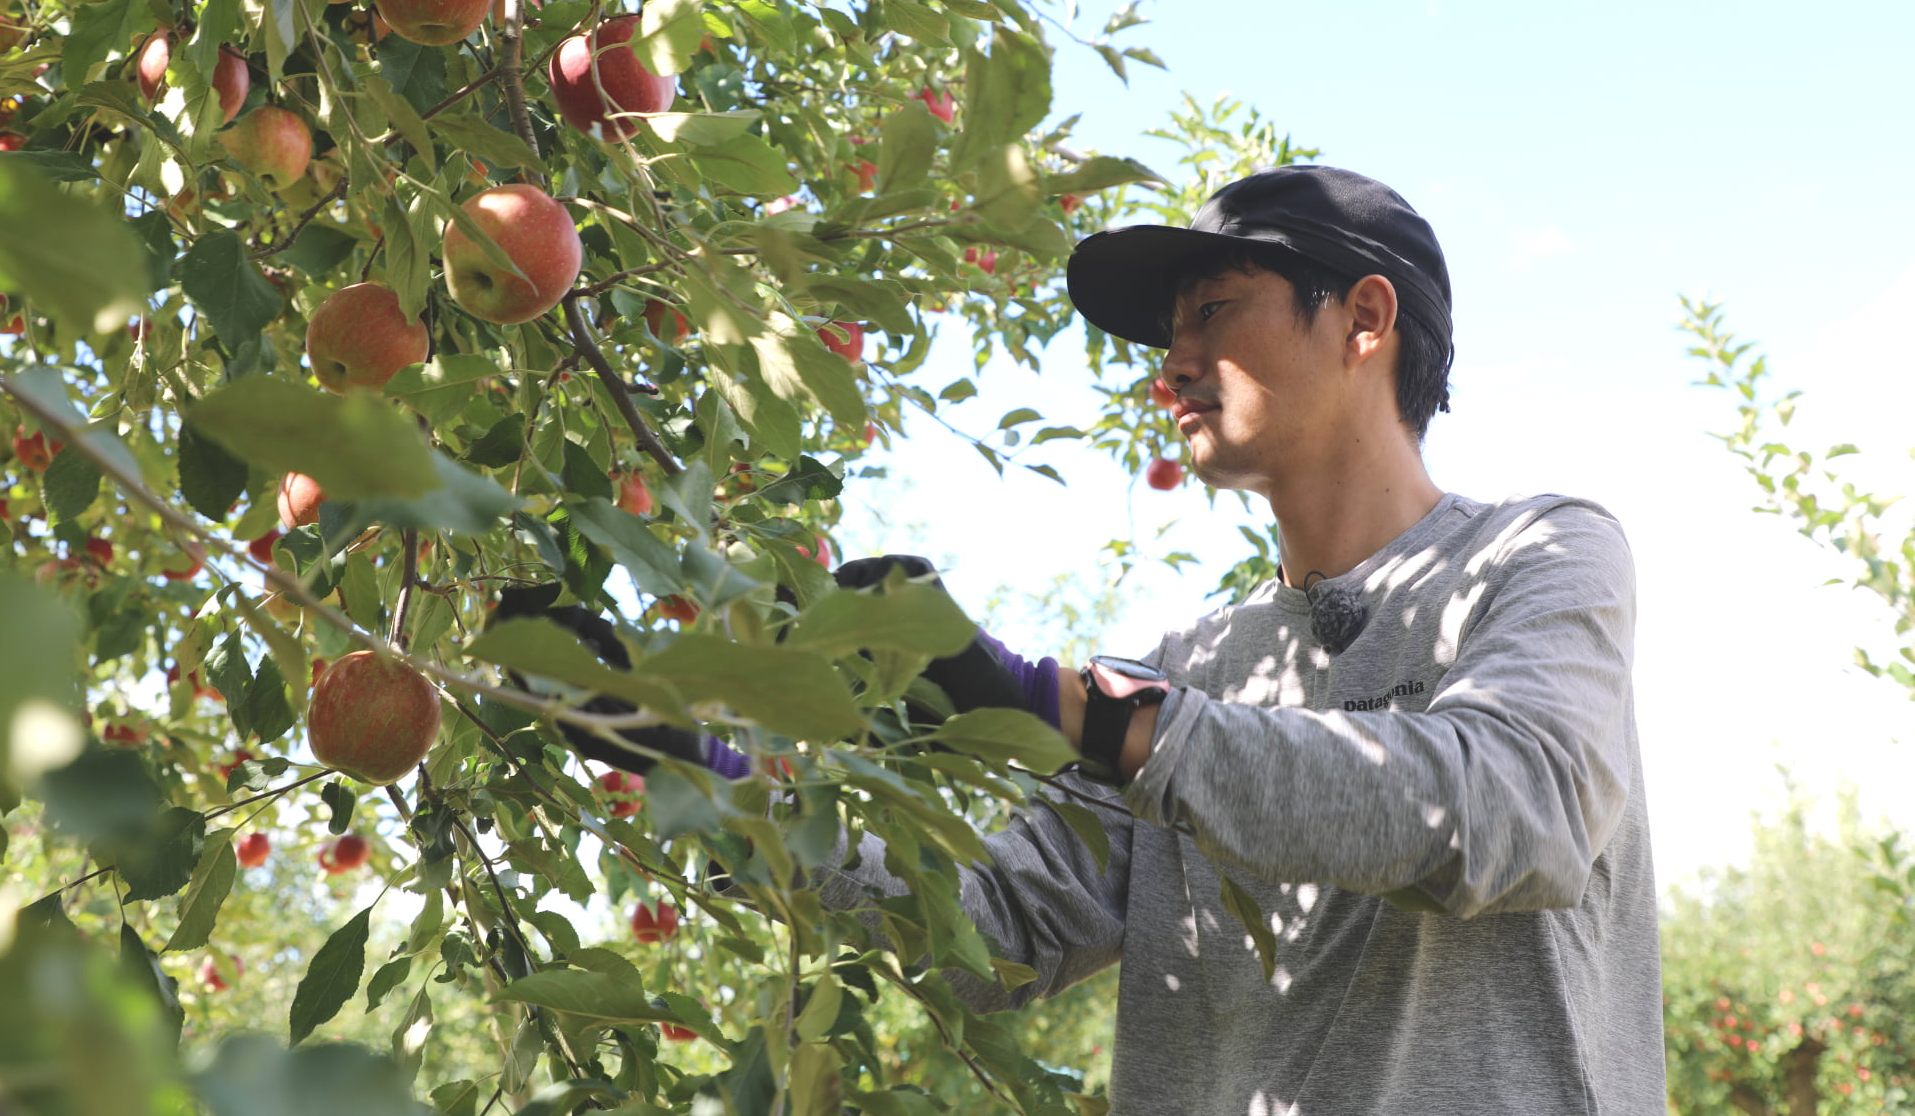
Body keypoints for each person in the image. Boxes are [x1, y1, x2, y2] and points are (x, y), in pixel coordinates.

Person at [499, 165, 1664, 1113]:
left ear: (1362, 317)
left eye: (1213, 311)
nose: (1171, 364)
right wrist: (690, 768)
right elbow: (988, 934)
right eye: (1170, 333)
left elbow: (1521, 807)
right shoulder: (1197, 670)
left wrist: (1057, 703)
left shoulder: (1535, 557)